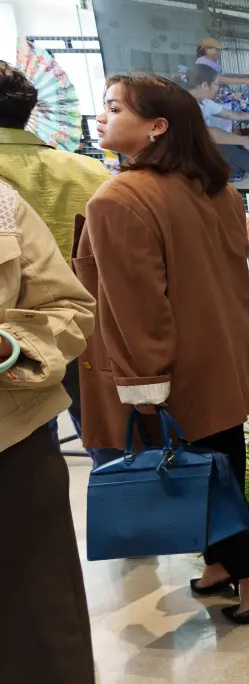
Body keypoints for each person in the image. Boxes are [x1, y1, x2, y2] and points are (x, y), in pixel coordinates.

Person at [77, 73, 249, 624]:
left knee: (200, 470)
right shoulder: (215, 189)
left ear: (156, 127)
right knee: (222, 462)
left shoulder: (118, 198)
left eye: (114, 106)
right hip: (221, 356)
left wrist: (144, 384)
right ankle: (220, 566)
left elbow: (136, 305)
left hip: (172, 366)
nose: (101, 116)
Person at [1, 182, 96, 684]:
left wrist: (9, 343)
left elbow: (71, 307)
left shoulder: (2, 204)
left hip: (8, 438)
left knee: (28, 618)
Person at [0, 59, 109, 441]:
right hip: (92, 329)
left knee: (26, 437)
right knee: (108, 445)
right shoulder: (92, 171)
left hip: (11, 347)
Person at [184, 64, 249, 177]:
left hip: (199, 145)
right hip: (186, 153)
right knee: (230, 149)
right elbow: (206, 132)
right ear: (205, 85)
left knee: (234, 145)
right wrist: (242, 139)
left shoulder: (204, 102)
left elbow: (234, 115)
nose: (218, 88)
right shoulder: (185, 104)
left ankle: (246, 165)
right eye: (217, 84)